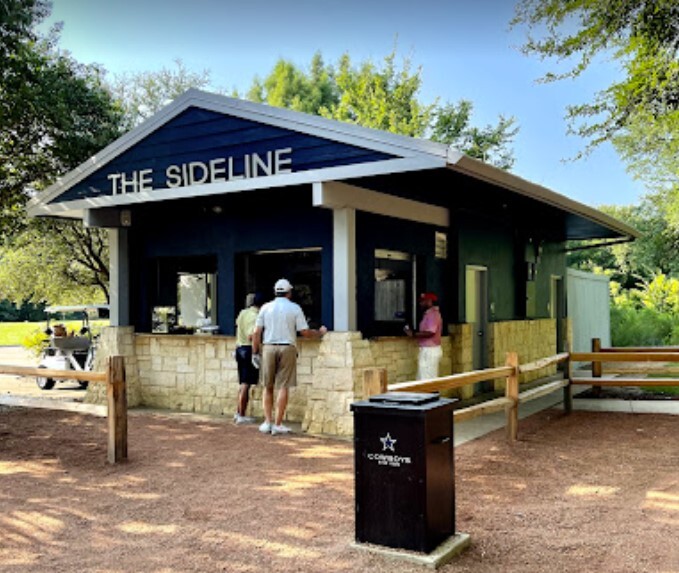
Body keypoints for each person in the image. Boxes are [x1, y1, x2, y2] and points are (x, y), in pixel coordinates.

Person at [252, 278, 327, 435]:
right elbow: (304, 332)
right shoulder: (294, 308)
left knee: (267, 386)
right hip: (287, 347)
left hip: (269, 347)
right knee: (283, 386)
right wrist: (319, 333)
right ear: (289, 293)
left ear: (275, 292)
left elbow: (257, 332)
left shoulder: (265, 307)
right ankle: (278, 424)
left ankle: (267, 422)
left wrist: (255, 352)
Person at [233, 292, 265, 424]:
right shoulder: (255, 316)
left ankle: (238, 412)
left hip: (239, 348)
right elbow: (252, 336)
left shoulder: (243, 312)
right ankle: (241, 414)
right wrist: (255, 353)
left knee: (243, 382)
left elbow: (238, 325)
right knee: (246, 383)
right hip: (248, 350)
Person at [405, 292, 443, 380]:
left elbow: (430, 332)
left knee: (427, 379)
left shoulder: (433, 314)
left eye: (423, 301)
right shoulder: (428, 314)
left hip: (430, 351)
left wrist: (413, 334)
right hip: (428, 350)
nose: (420, 303)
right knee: (423, 378)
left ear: (429, 301)